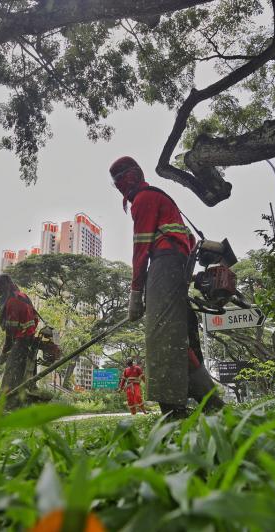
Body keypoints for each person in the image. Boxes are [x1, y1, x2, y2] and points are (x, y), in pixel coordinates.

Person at [109, 156, 224, 418]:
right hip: (177, 265)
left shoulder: (144, 199)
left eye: (119, 180)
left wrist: (135, 293)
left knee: (161, 336)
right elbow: (189, 238)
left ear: (129, 178)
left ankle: (174, 410)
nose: (118, 186)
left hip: (165, 262)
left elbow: (141, 248)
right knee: (174, 336)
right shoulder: (161, 197)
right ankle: (210, 402)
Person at [0, 273, 39, 408]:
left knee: (10, 377)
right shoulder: (24, 297)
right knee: (26, 378)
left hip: (21, 343)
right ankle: (23, 408)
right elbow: (34, 319)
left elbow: (10, 331)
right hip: (30, 343)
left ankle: (6, 409)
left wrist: (4, 352)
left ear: (6, 285)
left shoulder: (12, 301)